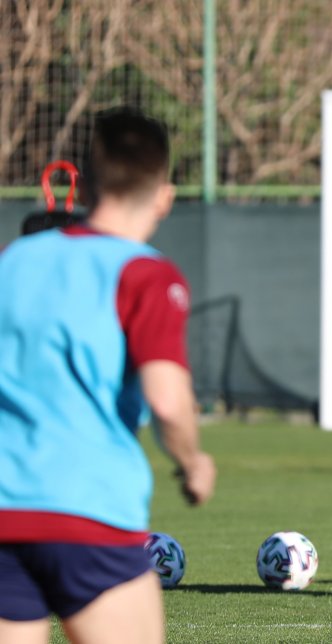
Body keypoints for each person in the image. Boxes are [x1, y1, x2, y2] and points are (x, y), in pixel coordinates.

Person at [0, 107, 216, 644]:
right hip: (88, 511)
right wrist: (193, 463)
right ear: (164, 196)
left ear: (87, 185)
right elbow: (167, 400)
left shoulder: (13, 260)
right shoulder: (146, 274)